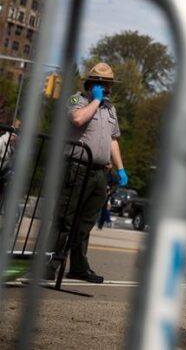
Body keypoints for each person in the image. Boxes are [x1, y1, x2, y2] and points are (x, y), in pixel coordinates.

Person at [47, 62, 128, 283]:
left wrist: (120, 168)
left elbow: (113, 140)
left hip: (99, 173)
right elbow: (78, 119)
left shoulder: (110, 109)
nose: (108, 88)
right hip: (77, 168)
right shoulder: (76, 100)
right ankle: (50, 264)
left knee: (85, 223)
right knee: (65, 219)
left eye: (109, 84)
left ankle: (79, 266)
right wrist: (95, 100)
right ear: (92, 83)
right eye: (104, 84)